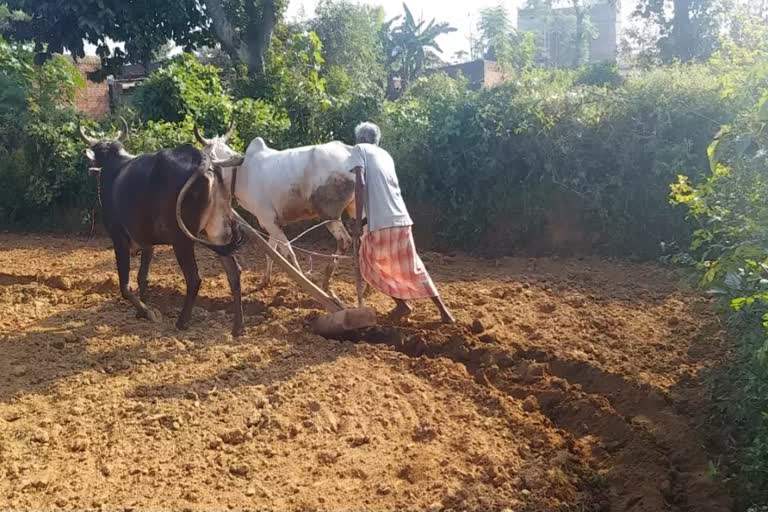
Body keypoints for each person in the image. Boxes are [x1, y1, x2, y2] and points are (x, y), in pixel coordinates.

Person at [349, 122, 455, 324]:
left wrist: (356, 222)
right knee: (413, 265)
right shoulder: (385, 155)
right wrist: (363, 220)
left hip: (381, 224)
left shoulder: (358, 149)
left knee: (369, 261)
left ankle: (402, 304)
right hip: (401, 219)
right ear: (376, 140)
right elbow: (382, 194)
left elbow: (360, 183)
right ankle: (444, 312)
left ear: (361, 139)